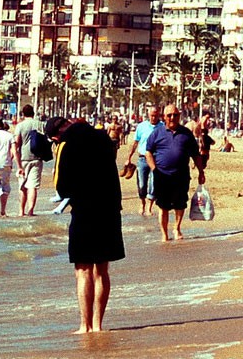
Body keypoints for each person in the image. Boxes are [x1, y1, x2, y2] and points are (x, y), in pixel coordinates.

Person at [48, 116, 124, 333]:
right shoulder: (102, 137)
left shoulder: (66, 143)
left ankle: (85, 325)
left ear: (57, 135)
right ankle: (98, 325)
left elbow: (60, 186)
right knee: (102, 270)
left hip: (85, 210)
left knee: (83, 270)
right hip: (110, 209)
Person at [145, 104, 206, 242]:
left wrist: (201, 172)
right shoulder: (157, 133)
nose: (172, 117)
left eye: (175, 115)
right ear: (164, 117)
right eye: (169, 115)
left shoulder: (186, 133)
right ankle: (164, 234)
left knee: (180, 204)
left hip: (181, 175)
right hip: (162, 176)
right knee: (163, 206)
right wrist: (154, 169)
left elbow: (195, 154)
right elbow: (148, 152)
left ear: (179, 116)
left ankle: (177, 228)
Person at [124, 106, 162, 216]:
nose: (154, 118)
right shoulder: (141, 126)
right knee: (141, 184)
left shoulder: (163, 127)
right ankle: (142, 204)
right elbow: (135, 142)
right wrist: (128, 158)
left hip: (156, 159)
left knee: (153, 183)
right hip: (142, 159)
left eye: (156, 116)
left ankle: (149, 207)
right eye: (152, 115)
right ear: (148, 115)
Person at [13, 105, 45, 217]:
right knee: (33, 186)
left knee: (23, 186)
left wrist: (14, 160)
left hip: (24, 159)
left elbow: (17, 144)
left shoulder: (20, 126)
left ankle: (21, 211)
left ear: (23, 113)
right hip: (37, 158)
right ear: (33, 113)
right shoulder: (40, 124)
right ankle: (31, 211)